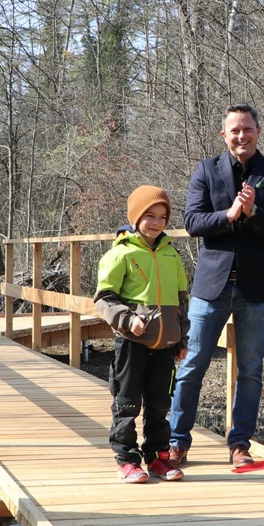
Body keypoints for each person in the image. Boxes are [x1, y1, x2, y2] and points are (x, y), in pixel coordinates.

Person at [168, 103, 264, 467]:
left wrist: (253, 213)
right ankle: (177, 442)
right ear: (224, 135)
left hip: (256, 289)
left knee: (251, 370)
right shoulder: (206, 170)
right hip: (212, 287)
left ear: (258, 131)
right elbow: (192, 221)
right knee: (192, 365)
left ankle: (240, 445)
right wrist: (229, 215)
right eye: (234, 130)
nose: (241, 136)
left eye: (247, 129)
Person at [94, 185, 190, 484]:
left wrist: (182, 338)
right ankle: (127, 459)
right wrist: (127, 318)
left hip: (165, 344)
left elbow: (181, 301)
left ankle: (158, 458)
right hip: (132, 342)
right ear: (135, 217)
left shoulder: (171, 254)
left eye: (162, 216)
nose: (157, 222)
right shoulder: (121, 253)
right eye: (149, 216)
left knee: (160, 404)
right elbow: (104, 298)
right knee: (127, 402)